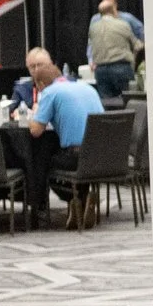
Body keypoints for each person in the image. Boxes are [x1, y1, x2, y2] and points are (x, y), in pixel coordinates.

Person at [21, 46, 100, 209]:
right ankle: (83, 200)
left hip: (77, 157)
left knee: (41, 163)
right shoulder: (87, 87)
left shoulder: (50, 92)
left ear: (40, 84)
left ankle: (72, 199)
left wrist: (29, 118)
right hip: (103, 156)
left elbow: (36, 131)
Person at [87, 0, 140, 107]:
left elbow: (91, 46)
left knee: (106, 105)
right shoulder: (123, 24)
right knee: (127, 104)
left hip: (101, 70)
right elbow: (137, 45)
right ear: (114, 10)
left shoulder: (93, 28)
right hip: (122, 68)